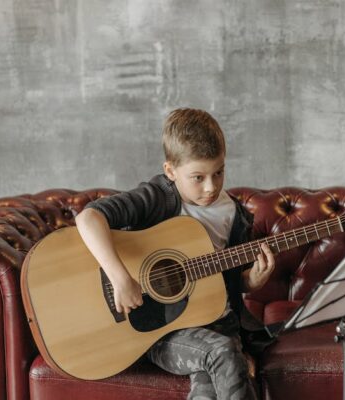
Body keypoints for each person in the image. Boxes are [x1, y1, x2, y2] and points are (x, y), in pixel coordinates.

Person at [75, 108, 275, 400]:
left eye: (219, 172)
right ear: (170, 171)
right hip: (162, 331)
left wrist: (251, 281)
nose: (211, 186)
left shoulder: (236, 216)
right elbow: (89, 218)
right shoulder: (157, 197)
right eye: (198, 177)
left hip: (218, 324)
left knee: (214, 374)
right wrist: (120, 278)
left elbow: (230, 281)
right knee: (222, 352)